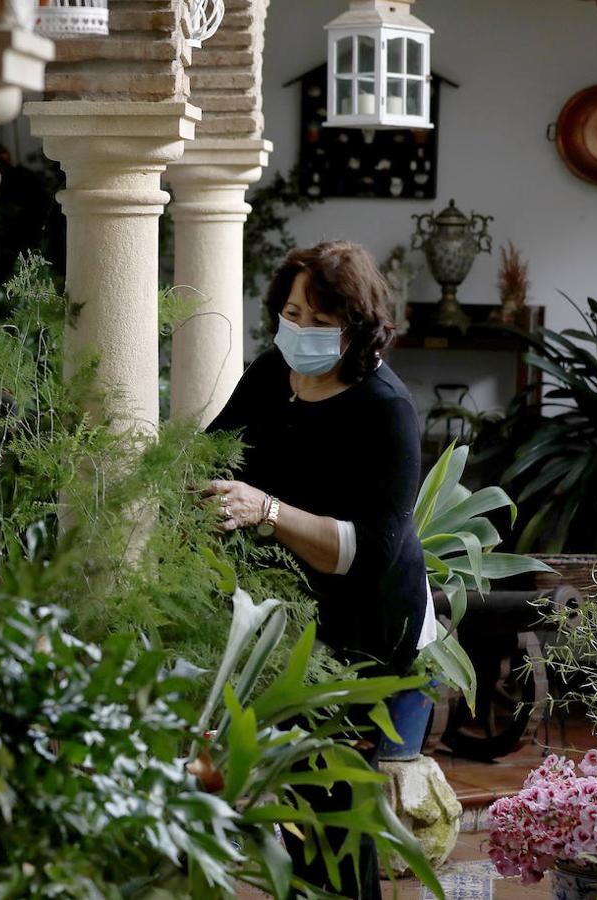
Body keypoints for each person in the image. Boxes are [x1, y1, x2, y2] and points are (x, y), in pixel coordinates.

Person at [206, 241, 436, 897]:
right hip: (288, 619)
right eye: (291, 312)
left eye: (317, 319)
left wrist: (267, 510)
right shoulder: (270, 376)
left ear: (356, 326)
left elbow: (368, 552)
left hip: (364, 632)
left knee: (333, 811)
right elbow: (212, 459)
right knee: (293, 803)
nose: (298, 330)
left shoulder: (384, 410)